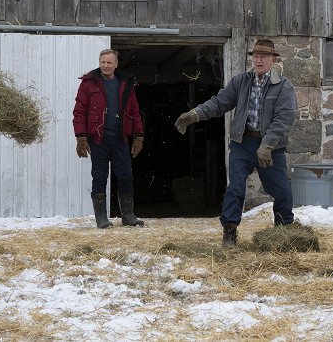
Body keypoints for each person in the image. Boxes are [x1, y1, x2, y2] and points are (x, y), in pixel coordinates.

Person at [174, 39, 297, 248]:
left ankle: (283, 232)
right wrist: (195, 114)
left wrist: (267, 145)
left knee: (282, 191)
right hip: (243, 142)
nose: (258, 60)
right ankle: (229, 232)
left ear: (272, 60)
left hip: (270, 146)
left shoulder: (283, 86)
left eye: (263, 57)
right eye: (255, 56)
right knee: (236, 188)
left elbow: (284, 118)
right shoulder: (241, 82)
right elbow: (219, 102)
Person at [73, 48, 145, 228]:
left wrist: (139, 135)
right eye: (103, 62)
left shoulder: (126, 83)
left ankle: (128, 215)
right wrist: (81, 137)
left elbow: (135, 112)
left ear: (116, 64)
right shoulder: (89, 83)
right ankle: (101, 219)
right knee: (99, 176)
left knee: (126, 175)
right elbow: (79, 112)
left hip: (120, 138)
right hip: (98, 139)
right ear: (99, 62)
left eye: (109, 62)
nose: (105, 65)